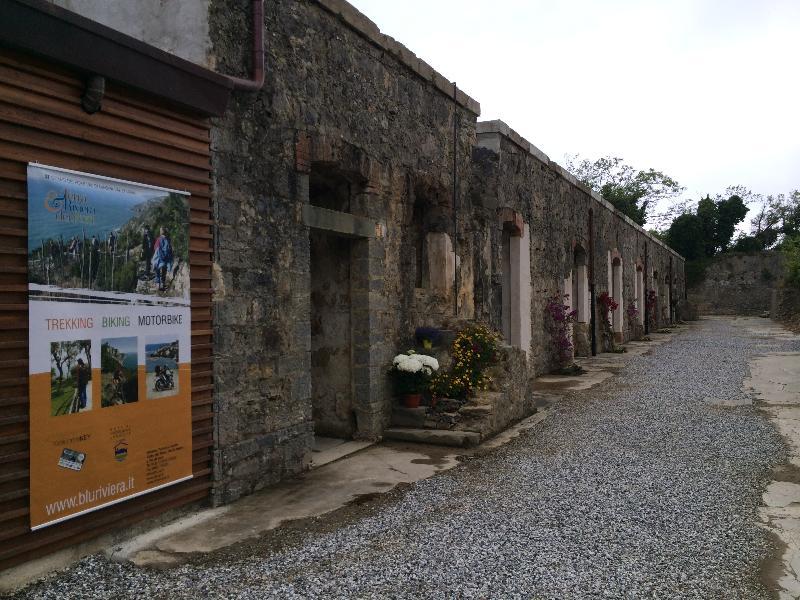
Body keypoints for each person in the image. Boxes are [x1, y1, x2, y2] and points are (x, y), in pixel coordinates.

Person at [151, 226, 173, 292]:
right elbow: (170, 249)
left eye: (160, 230)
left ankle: (158, 285)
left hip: (160, 258)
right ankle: (163, 284)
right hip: (166, 258)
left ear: (161, 232)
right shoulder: (168, 239)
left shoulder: (158, 239)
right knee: (164, 271)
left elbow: (155, 248)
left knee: (157, 270)